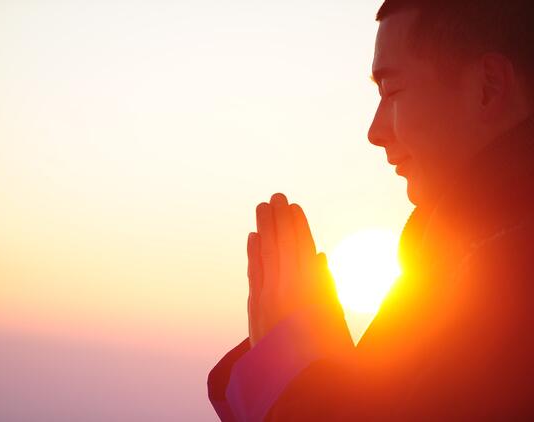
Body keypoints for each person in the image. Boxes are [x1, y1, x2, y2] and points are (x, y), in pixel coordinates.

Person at [208, 1, 534, 420]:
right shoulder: (446, 273)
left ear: (488, 86)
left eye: (392, 91)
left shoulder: (509, 289)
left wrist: (285, 375)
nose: (374, 132)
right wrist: (329, 368)